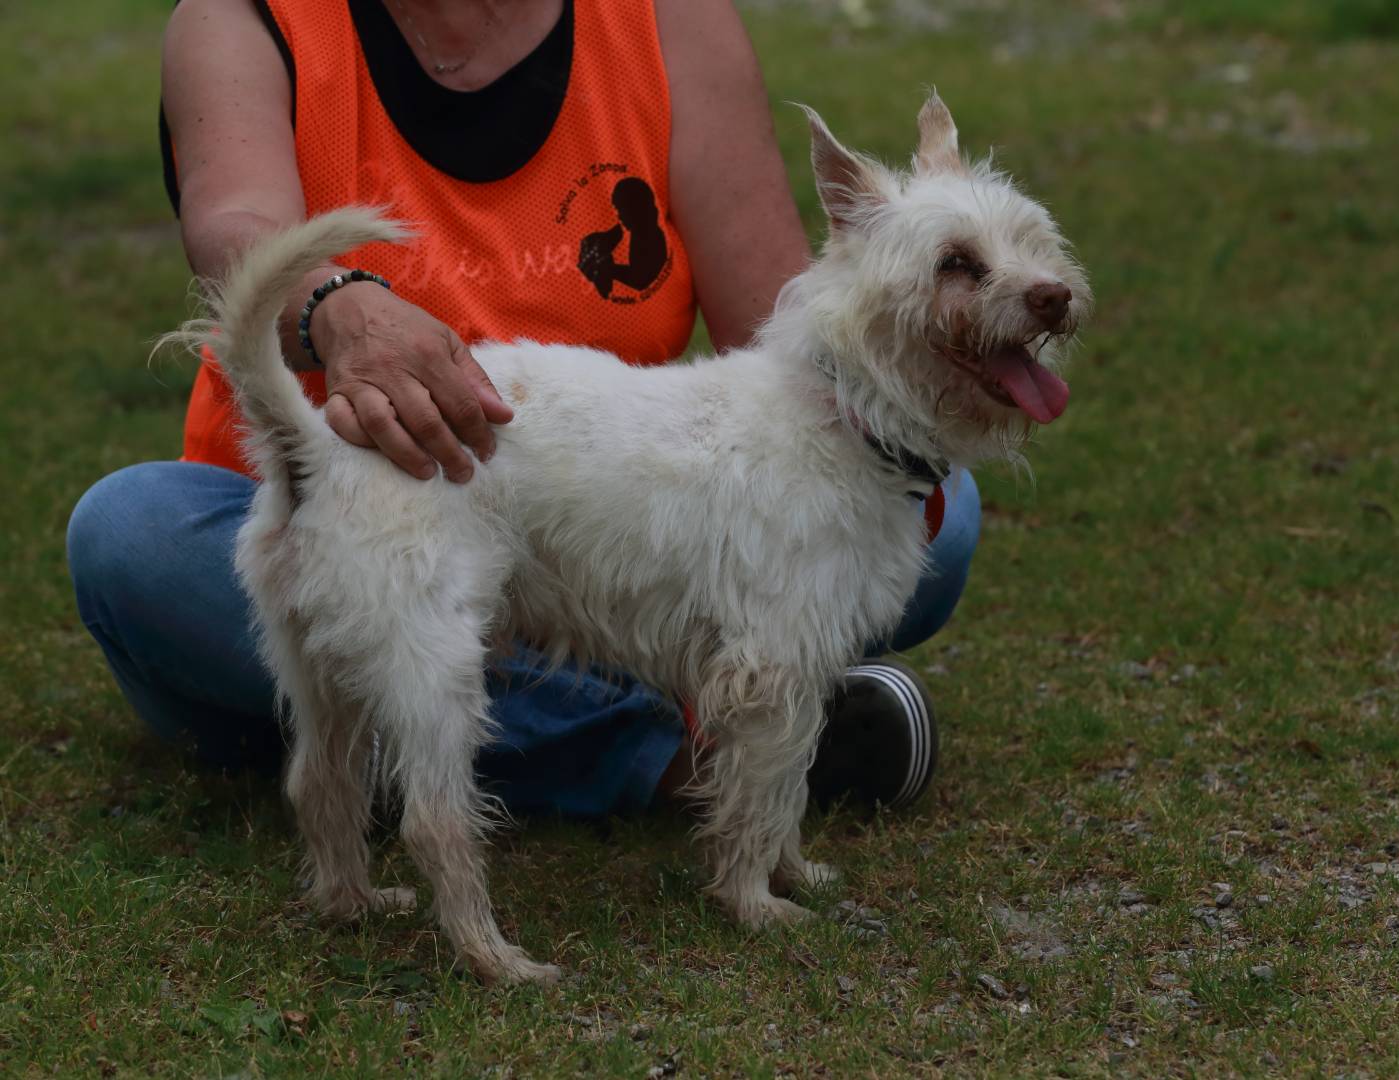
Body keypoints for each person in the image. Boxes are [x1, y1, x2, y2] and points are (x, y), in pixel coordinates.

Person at [66, 0, 981, 817]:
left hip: (609, 529)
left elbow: (781, 329)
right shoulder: (242, 17)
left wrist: (932, 339)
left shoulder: (672, 18)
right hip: (346, 516)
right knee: (133, 539)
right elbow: (234, 225)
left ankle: (401, 735)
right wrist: (335, 302)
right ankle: (672, 749)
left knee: (933, 510)